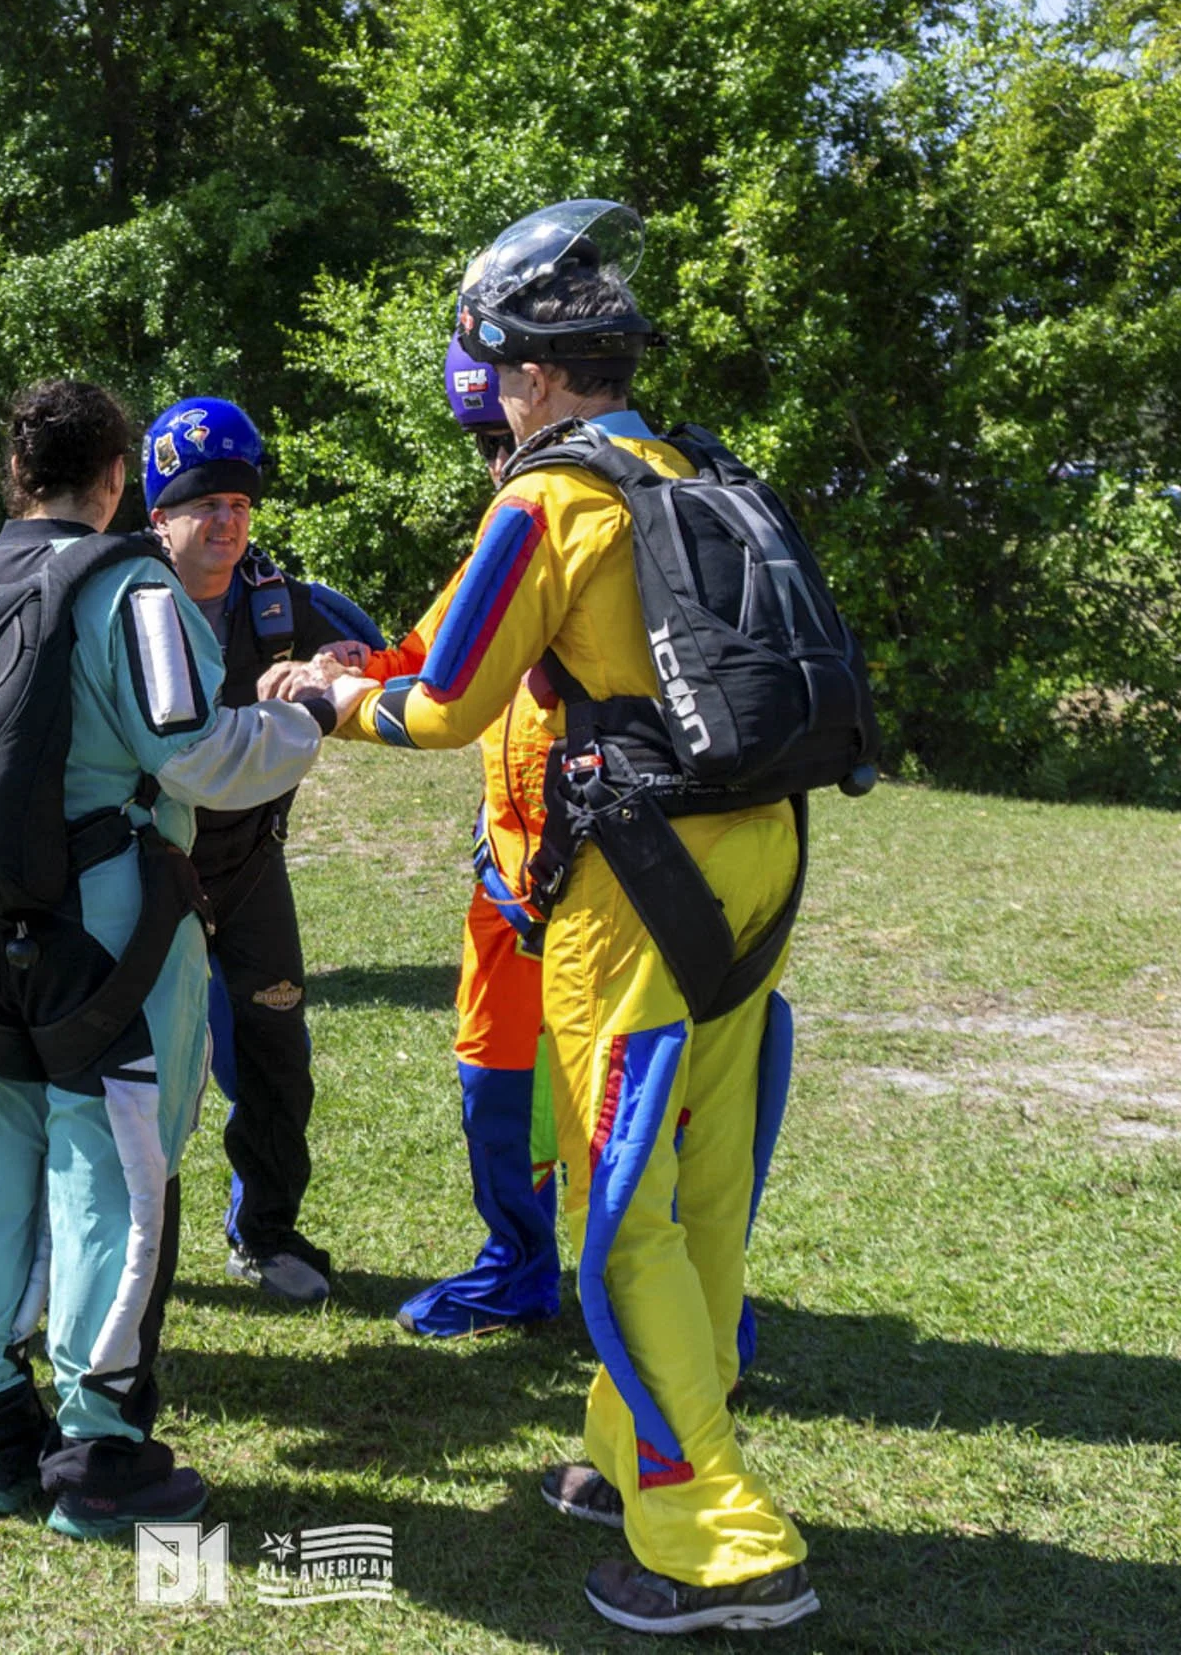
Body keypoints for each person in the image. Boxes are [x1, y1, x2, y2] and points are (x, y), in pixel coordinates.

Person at [323, 202, 826, 1633]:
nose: (486, 389)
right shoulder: (689, 464)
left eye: (491, 366)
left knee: (613, 1218)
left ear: (531, 376)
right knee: (705, 1180)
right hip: (758, 857)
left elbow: (443, 698)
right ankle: (626, 1446)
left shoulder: (548, 497)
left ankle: (719, 1539)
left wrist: (325, 694)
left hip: (633, 883)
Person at [0, 379, 347, 1538]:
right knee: (110, 1172)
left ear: (12, 474)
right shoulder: (127, 588)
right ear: (118, 479)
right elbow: (201, 756)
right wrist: (315, 717)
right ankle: (100, 1452)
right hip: (107, 938)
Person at [288, 342, 566, 1337]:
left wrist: (348, 703)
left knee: (623, 1106)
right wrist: (350, 660)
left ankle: (674, 1306)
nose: (496, 462)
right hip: (511, 871)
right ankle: (521, 1263)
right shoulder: (517, 517)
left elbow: (440, 699)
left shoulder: (594, 511)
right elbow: (428, 652)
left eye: (504, 437)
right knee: (494, 1069)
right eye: (481, 445)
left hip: (609, 878)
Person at [140, 397, 380, 1304]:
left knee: (276, 1049)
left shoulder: (285, 605)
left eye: (241, 505)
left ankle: (266, 1230)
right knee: (134, 1069)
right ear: (159, 515)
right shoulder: (120, 602)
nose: (227, 523)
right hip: (139, 872)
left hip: (246, 870)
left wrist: (335, 669)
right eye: (206, 505)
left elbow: (393, 665)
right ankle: (123, 1243)